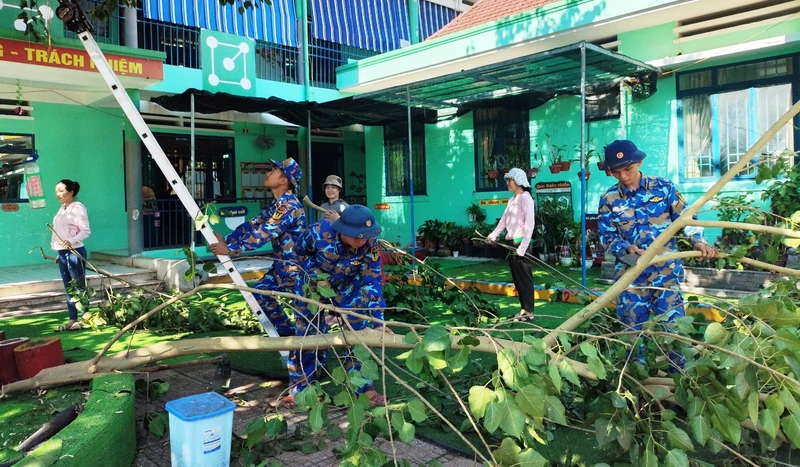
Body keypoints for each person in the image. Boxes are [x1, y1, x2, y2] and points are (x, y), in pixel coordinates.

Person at [597, 140, 716, 366]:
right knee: (631, 337)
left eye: (628, 169)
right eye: (616, 171)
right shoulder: (609, 199)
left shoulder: (664, 188)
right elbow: (606, 235)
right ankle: (635, 385)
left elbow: (687, 218)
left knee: (674, 333)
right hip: (630, 277)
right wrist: (625, 248)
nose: (623, 176)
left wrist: (698, 241)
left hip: (666, 275)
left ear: (640, 162)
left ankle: (680, 385)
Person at [284, 204, 392, 407]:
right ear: (343, 230)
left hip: (346, 287)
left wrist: (377, 320)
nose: (362, 241)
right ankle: (300, 387)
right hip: (311, 287)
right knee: (307, 334)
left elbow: (372, 279)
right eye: (357, 236)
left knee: (358, 334)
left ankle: (364, 387)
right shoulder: (319, 231)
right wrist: (316, 277)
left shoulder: (370, 242)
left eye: (365, 236)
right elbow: (299, 254)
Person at [209, 158, 306, 337]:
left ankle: (310, 354)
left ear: (284, 180)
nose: (268, 173)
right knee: (259, 294)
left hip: (297, 270)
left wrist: (232, 249)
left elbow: (265, 232)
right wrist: (228, 240)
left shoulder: (288, 206)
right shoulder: (277, 205)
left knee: (305, 318)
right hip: (283, 268)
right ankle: (288, 338)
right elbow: (253, 224)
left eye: (274, 170)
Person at [487, 168, 536, 322]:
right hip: (511, 243)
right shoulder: (512, 200)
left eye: (509, 180)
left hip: (520, 243)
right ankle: (524, 310)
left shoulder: (525, 198)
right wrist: (493, 235)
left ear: (518, 181)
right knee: (517, 278)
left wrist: (522, 248)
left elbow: (530, 224)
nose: (507, 183)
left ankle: (529, 312)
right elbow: (503, 221)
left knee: (524, 278)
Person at [52, 179, 91, 332]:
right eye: (56, 191)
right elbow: (59, 232)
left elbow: (86, 231)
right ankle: (72, 318)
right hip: (63, 253)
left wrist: (71, 241)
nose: (58, 194)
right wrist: (59, 252)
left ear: (71, 192)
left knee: (79, 286)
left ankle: (84, 317)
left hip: (75, 252)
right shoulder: (62, 208)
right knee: (68, 287)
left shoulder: (77, 208)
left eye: (61, 191)